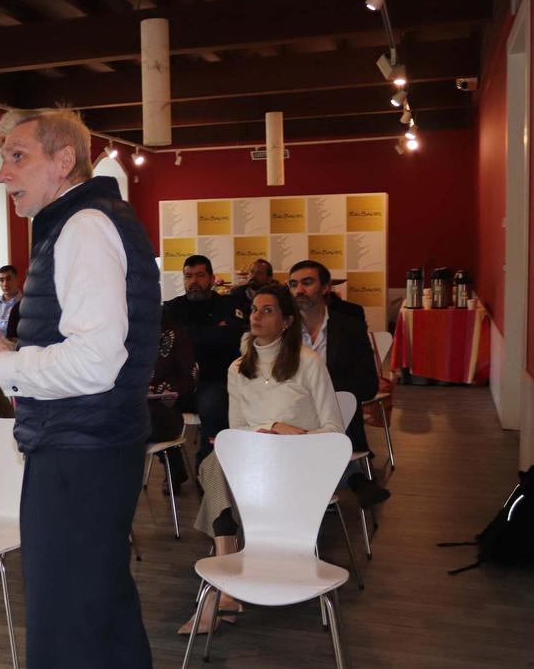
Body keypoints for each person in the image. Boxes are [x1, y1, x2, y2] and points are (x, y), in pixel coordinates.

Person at [0, 107, 157, 668]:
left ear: (64, 159)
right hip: (94, 445)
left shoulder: (84, 226)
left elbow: (96, 362)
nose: (3, 174)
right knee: (103, 612)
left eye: (18, 156)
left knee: (65, 625)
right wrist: (13, 356)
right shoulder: (91, 220)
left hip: (79, 452)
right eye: (3, 159)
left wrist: (8, 369)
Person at [181, 283, 343, 634]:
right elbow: (237, 429)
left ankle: (223, 589)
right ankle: (227, 580)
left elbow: (335, 432)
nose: (256, 315)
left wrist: (288, 431)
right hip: (255, 466)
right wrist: (263, 434)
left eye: (267, 309)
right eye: (254, 309)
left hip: (301, 464)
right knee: (214, 462)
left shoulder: (308, 362)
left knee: (214, 468)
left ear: (286, 321)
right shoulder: (238, 369)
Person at [289, 260, 390, 507]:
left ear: (325, 288)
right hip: (291, 413)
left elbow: (367, 384)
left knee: (330, 407)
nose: (299, 289)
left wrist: (325, 391)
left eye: (307, 282)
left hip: (335, 411)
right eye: (293, 284)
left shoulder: (350, 327)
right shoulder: (284, 329)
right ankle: (354, 477)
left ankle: (322, 490)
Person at [164, 254, 246, 464]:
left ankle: (207, 471)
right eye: (188, 276)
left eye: (200, 275)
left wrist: (187, 334)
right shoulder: (172, 309)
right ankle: (174, 469)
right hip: (178, 382)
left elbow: (231, 338)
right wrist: (212, 333)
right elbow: (167, 343)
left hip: (214, 381)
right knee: (155, 407)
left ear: (211, 278)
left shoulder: (228, 305)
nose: (194, 281)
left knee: (212, 405)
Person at [148, 309, 198, 488]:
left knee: (141, 417)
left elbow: (189, 379)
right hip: (138, 405)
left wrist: (166, 392)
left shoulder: (174, 334)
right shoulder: (125, 333)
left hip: (169, 406)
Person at [0, 265, 23, 337]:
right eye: (1, 280)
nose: (5, 284)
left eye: (8, 279)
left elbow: (16, 328)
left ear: (17, 280)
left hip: (13, 343)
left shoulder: (25, 303)